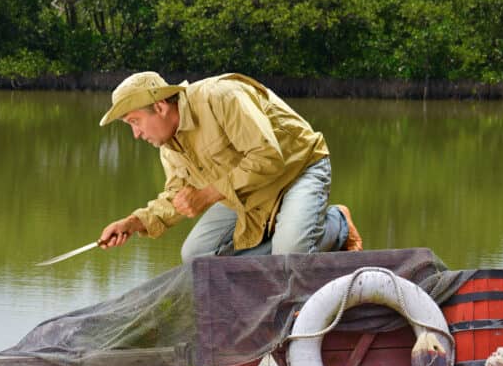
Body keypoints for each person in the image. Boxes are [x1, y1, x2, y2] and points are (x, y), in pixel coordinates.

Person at [97, 71, 362, 261]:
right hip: (245, 190)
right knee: (196, 257)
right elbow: (175, 198)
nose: (136, 134)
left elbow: (268, 156)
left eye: (135, 121)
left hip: (297, 170)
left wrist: (207, 195)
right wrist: (132, 223)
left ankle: (337, 225)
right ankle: (285, 235)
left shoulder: (222, 97)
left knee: (290, 252)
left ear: (160, 107)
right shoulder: (168, 146)